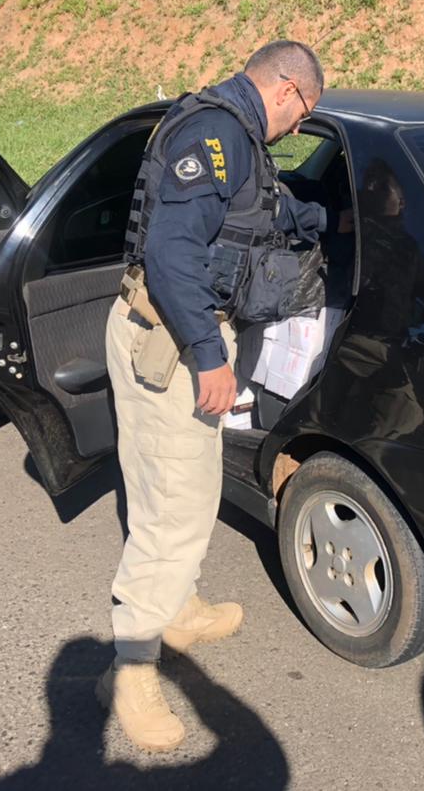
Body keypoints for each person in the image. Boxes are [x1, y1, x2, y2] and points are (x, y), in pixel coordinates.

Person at [98, 41, 329, 753]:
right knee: (174, 508)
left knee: (177, 492)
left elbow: (256, 214)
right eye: (304, 114)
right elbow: (171, 253)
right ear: (287, 90)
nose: (299, 127)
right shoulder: (216, 134)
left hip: (174, 331)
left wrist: (324, 221)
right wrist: (208, 355)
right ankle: (131, 670)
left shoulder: (240, 136)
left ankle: (179, 607)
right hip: (170, 340)